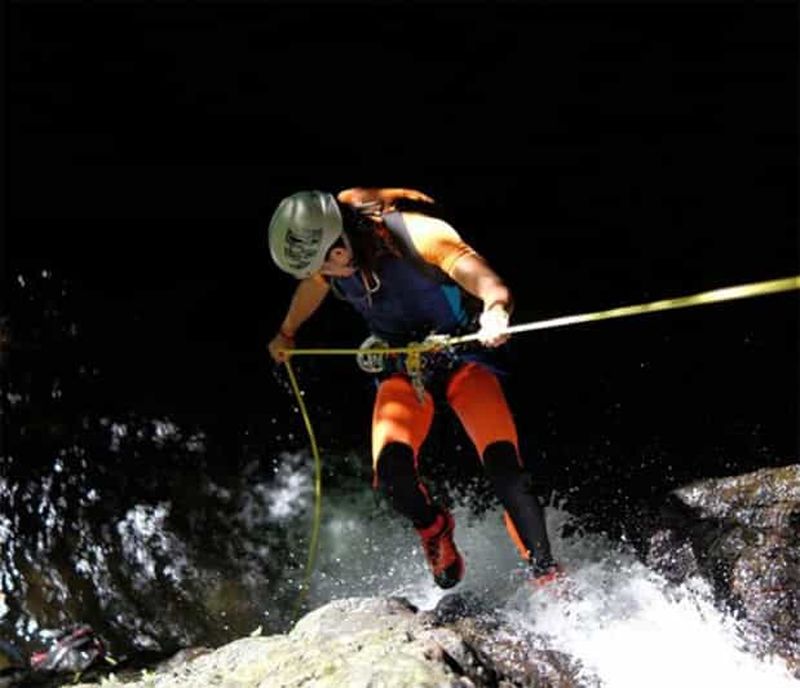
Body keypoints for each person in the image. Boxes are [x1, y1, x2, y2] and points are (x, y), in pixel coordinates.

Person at [267, 187, 560, 589]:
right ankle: (434, 528)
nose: (323, 275)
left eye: (323, 265)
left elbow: (487, 281)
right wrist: (287, 332)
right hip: (403, 368)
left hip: (464, 360)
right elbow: (313, 287)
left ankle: (546, 573)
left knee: (507, 471)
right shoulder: (332, 261)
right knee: (392, 475)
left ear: (339, 247)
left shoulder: (420, 235)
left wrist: (494, 311)